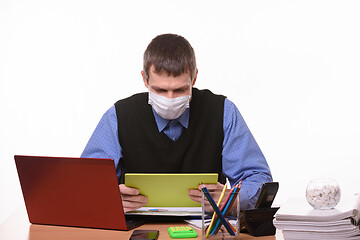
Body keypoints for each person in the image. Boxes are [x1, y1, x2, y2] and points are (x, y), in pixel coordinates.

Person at [81, 33, 272, 213]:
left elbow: (259, 178)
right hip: (137, 228)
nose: (170, 98)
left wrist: (234, 200)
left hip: (206, 228)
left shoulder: (223, 111)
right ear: (144, 79)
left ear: (194, 78)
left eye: (180, 90)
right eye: (160, 90)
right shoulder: (119, 116)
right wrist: (108, 199)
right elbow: (85, 182)